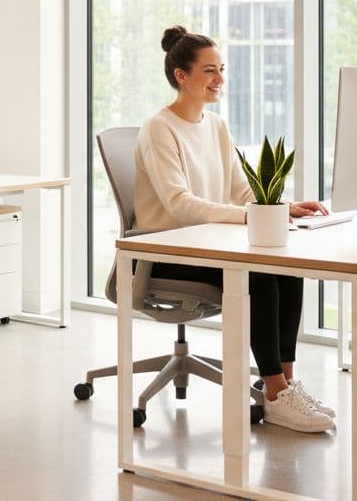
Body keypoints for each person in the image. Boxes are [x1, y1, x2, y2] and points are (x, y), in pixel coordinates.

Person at [134, 25, 336, 433]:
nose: (220, 80)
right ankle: (278, 396)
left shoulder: (216, 126)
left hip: (206, 246)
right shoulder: (160, 128)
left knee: (287, 265)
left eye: (221, 69)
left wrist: (281, 208)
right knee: (259, 274)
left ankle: (283, 385)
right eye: (210, 71)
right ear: (182, 76)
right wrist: (249, 217)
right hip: (166, 256)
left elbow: (243, 190)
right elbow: (179, 204)